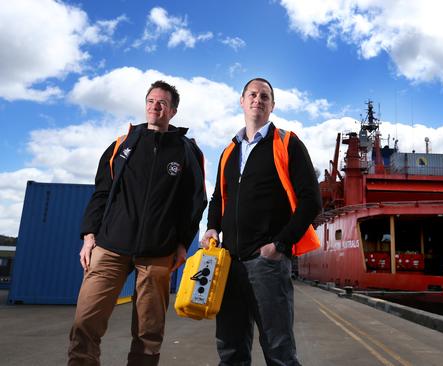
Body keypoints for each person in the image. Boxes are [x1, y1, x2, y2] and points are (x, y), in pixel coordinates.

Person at [68, 80, 207, 366]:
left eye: (162, 103)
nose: (155, 106)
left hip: (157, 253)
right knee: (85, 322)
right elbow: (102, 192)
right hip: (110, 247)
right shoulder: (122, 144)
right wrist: (88, 235)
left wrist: (182, 243)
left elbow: (194, 202)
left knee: (148, 334)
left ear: (173, 111)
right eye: (151, 101)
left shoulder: (187, 151)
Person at [201, 77, 321, 365]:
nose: (258, 99)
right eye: (252, 94)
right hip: (230, 263)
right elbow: (218, 197)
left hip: (266, 263)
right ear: (242, 102)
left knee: (278, 350)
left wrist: (279, 244)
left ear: (272, 105)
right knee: (230, 349)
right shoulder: (229, 151)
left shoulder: (287, 143)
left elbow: (311, 201)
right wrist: (212, 226)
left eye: (264, 96)